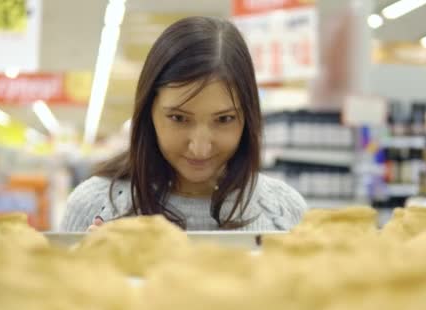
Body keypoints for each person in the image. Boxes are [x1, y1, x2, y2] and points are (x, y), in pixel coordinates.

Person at [61, 16, 306, 232]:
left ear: (248, 117)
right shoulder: (93, 205)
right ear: (148, 113)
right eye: (179, 118)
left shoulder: (285, 212)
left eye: (224, 119)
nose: (200, 148)